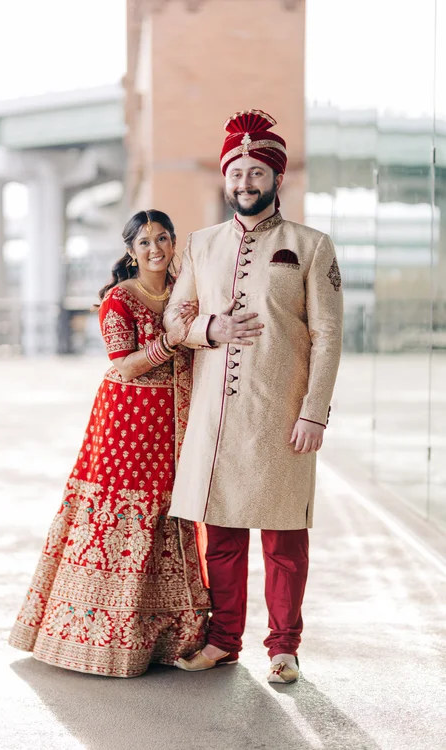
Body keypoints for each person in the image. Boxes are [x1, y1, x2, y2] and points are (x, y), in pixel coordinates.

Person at [164, 110, 344, 683]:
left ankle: (284, 648)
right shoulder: (201, 244)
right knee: (220, 536)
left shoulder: (310, 246)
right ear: (226, 178)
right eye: (236, 173)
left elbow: (328, 335)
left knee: (285, 539)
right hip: (216, 418)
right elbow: (176, 319)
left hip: (281, 415)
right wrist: (209, 328)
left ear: (276, 179)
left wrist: (314, 412)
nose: (244, 182)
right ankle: (223, 641)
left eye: (256, 173)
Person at [9, 210, 210, 678]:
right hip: (128, 421)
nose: (155, 248)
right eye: (144, 242)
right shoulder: (119, 299)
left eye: (163, 238)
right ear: (131, 251)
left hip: (179, 420)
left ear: (174, 242)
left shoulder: (184, 292)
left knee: (172, 509)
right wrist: (172, 341)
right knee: (124, 509)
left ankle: (170, 636)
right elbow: (124, 364)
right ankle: (106, 638)